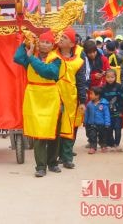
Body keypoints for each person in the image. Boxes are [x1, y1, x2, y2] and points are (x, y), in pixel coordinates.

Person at [14, 31, 62, 177]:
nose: (44, 44)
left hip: (50, 97)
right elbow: (17, 58)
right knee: (39, 133)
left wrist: (31, 59)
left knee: (53, 132)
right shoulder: (31, 55)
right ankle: (40, 166)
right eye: (42, 41)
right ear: (38, 42)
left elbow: (47, 72)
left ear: (53, 45)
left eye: (48, 42)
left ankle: (52, 162)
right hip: (34, 96)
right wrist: (25, 42)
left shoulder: (56, 59)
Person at [55, 27, 87, 169]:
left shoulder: (79, 62)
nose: (61, 39)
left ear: (72, 44)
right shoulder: (52, 56)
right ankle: (54, 157)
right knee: (55, 127)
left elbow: (81, 82)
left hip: (71, 99)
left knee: (69, 128)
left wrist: (82, 101)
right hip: (53, 96)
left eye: (65, 38)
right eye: (61, 37)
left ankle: (66, 157)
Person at [101, 69, 123, 151]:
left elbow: (122, 100)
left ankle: (117, 144)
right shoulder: (103, 88)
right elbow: (101, 100)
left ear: (115, 77)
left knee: (118, 129)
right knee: (109, 129)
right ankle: (110, 144)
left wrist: (122, 111)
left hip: (117, 113)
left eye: (112, 77)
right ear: (105, 78)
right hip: (107, 113)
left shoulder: (119, 87)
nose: (110, 79)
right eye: (108, 77)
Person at [84, 87, 111, 154]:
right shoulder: (89, 104)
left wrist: (107, 123)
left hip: (102, 124)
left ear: (97, 95)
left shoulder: (104, 104)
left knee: (102, 136)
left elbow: (106, 114)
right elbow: (87, 114)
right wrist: (85, 122)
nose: (90, 96)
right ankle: (93, 147)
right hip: (92, 123)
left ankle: (103, 146)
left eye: (91, 94)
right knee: (92, 136)